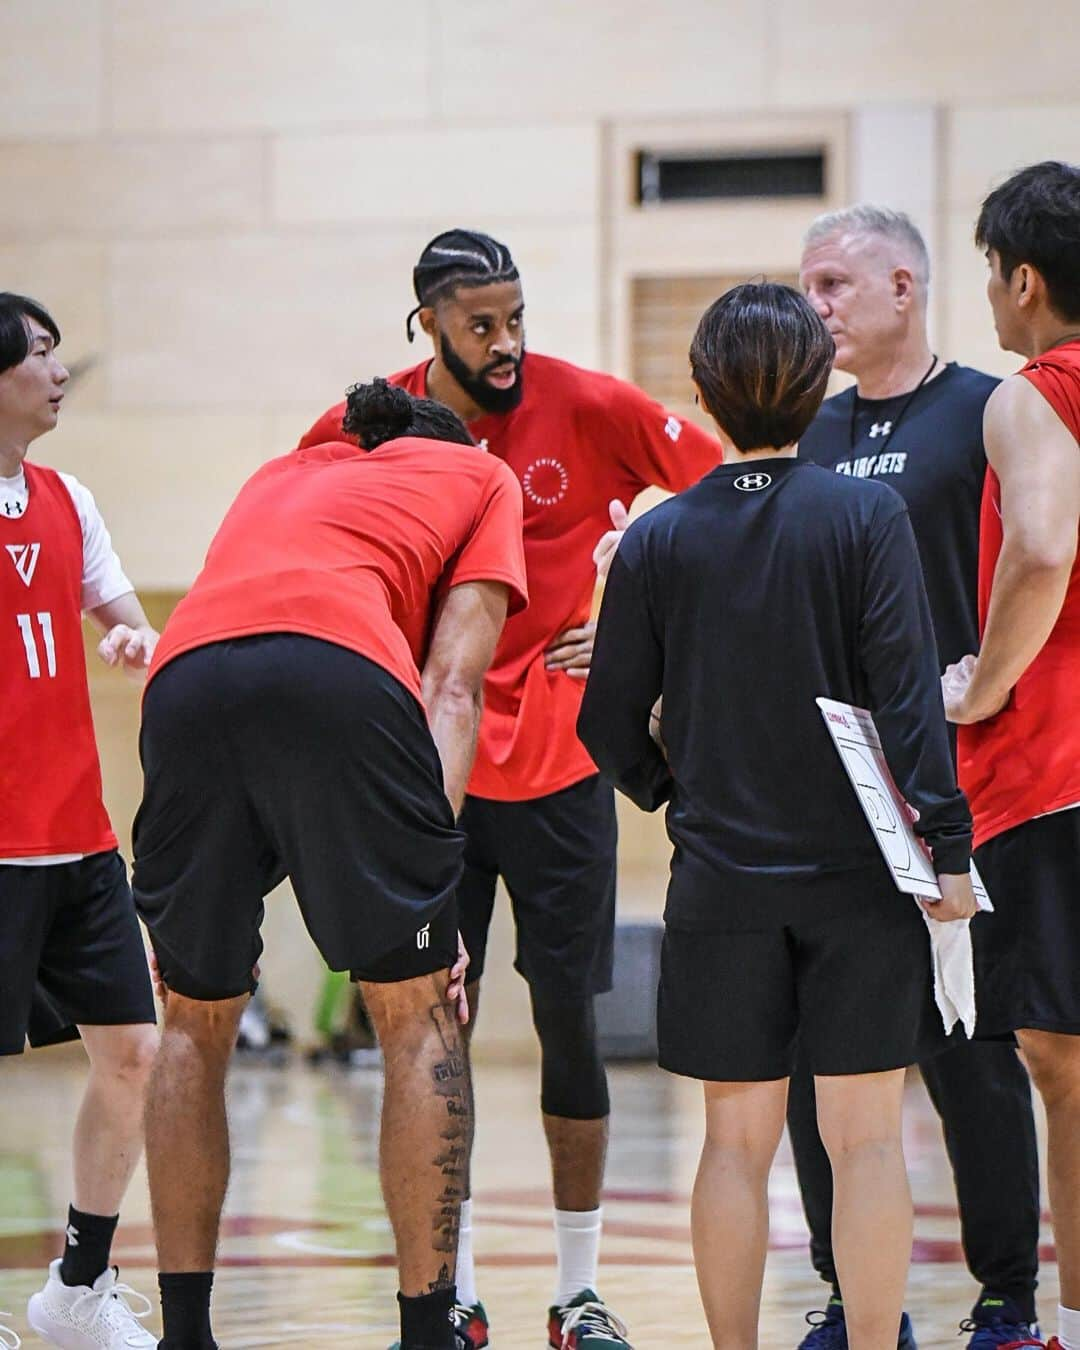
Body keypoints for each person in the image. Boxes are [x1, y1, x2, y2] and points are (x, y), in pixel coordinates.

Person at [299, 228, 722, 1348]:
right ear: (427, 321)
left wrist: (633, 625)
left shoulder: (585, 404)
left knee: (567, 1025)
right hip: (426, 774)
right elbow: (303, 524)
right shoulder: (370, 419)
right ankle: (457, 1288)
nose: (506, 344)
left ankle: (578, 1292)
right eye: (481, 323)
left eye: (517, 318)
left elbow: (728, 497)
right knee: (434, 1027)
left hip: (560, 769)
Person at [579, 282, 978, 1350]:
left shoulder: (662, 540)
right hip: (864, 881)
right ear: (818, 388)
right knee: (869, 1146)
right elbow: (908, 702)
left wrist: (670, 790)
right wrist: (947, 845)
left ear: (702, 392)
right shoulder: (866, 514)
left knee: (734, 1145)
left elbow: (606, 719)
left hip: (720, 883)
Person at [132, 380, 528, 1350]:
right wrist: (430, 888)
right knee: (415, 1012)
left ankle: (185, 1336)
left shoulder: (282, 470)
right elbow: (452, 685)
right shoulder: (479, 473)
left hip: (182, 678)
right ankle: (429, 1332)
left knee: (190, 1019)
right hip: (338, 667)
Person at [791, 206, 1041, 1350]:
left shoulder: (990, 410)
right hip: (833, 793)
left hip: (963, 780)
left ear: (906, 284)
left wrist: (982, 693)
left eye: (836, 283)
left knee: (973, 1051)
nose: (817, 308)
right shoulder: (807, 433)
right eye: (807, 288)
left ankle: (1007, 1296)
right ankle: (856, 1301)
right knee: (821, 1063)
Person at [0, 292, 160, 1350]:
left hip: (81, 839)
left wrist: (134, 641)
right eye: (41, 354)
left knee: (134, 1053)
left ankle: (76, 1291)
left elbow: (126, 615)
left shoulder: (70, 498)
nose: (60, 372)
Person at [943, 159, 1080, 1350]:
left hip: (1059, 773)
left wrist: (980, 688)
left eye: (990, 274)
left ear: (1024, 279)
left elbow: (1039, 546)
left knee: (1065, 1064)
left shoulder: (1034, 392)